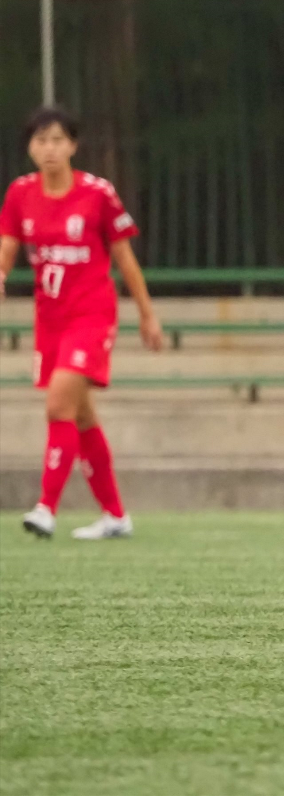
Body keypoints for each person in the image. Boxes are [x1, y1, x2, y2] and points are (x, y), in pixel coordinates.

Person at [0, 106, 163, 540]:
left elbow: (125, 260)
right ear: (30, 148)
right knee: (82, 416)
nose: (49, 149)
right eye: (40, 141)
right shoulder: (20, 194)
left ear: (73, 145)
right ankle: (115, 516)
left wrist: (147, 315)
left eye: (57, 140)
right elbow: (7, 247)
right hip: (49, 319)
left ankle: (45, 509)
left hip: (91, 315)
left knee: (58, 405)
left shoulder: (97, 194)